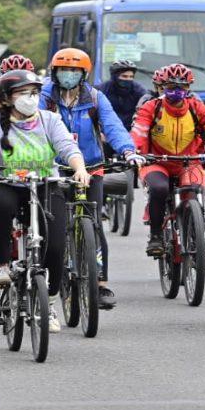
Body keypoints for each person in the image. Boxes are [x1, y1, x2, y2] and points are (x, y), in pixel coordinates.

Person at [0, 70, 89, 333]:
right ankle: (0, 264)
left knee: (55, 245)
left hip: (45, 184)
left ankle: (52, 302)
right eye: (23, 93)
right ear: (7, 98)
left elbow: (67, 147)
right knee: (2, 205)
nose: (30, 98)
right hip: (4, 183)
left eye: (34, 92)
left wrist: (79, 168)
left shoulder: (50, 119)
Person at [41, 47, 145, 309]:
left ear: (84, 74)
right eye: (64, 70)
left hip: (91, 168)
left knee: (94, 224)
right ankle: (45, 279)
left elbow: (112, 125)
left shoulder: (96, 98)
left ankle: (100, 284)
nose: (68, 75)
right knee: (49, 226)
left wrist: (129, 150)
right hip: (52, 170)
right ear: (54, 72)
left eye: (74, 71)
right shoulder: (43, 96)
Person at [130, 64, 205, 255]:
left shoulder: (196, 107)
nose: (176, 91)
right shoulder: (151, 107)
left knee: (195, 191)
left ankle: (197, 244)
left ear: (189, 89)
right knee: (159, 189)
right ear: (161, 88)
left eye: (181, 87)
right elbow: (139, 131)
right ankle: (156, 236)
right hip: (156, 162)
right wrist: (134, 152)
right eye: (170, 87)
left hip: (189, 162)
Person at [97, 59, 147, 132]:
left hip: (131, 133)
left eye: (131, 77)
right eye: (124, 76)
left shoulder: (138, 90)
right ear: (115, 76)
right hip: (106, 132)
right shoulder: (102, 90)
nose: (128, 79)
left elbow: (146, 109)